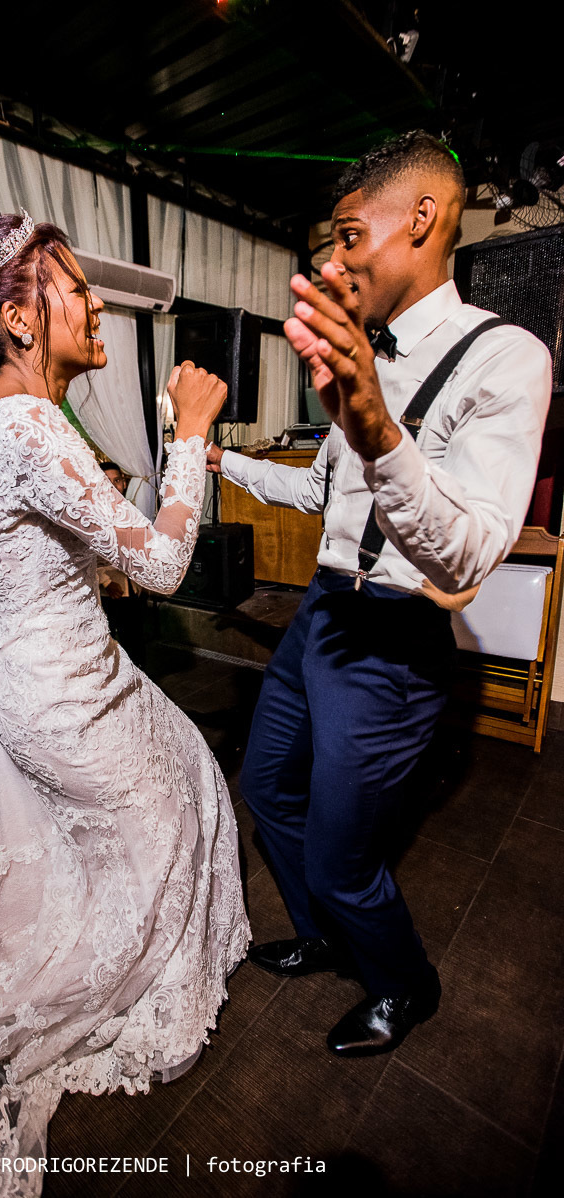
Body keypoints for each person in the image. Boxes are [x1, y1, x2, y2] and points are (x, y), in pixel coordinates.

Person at [0, 209, 249, 1196]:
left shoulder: (3, 414)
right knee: (174, 814)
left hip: (45, 675)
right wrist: (189, 435)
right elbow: (165, 564)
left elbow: (67, 552)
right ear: (22, 319)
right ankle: (63, 1007)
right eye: (75, 288)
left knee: (173, 790)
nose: (95, 305)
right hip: (62, 693)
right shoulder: (30, 422)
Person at [208, 130, 551, 1057]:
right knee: (268, 787)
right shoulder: (362, 350)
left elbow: (469, 555)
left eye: (350, 236)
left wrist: (379, 429)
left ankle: (406, 984)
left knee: (345, 852)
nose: (333, 260)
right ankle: (326, 934)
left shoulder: (505, 357)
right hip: (324, 611)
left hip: (396, 639)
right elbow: (325, 493)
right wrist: (225, 461)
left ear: (424, 220)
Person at [97, 460, 148, 665]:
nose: (113, 486)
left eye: (117, 480)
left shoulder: (131, 510)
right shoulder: (94, 515)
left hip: (133, 586)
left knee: (135, 638)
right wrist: (107, 582)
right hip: (109, 588)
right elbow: (88, 554)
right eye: (107, 481)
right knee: (111, 641)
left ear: (124, 483)